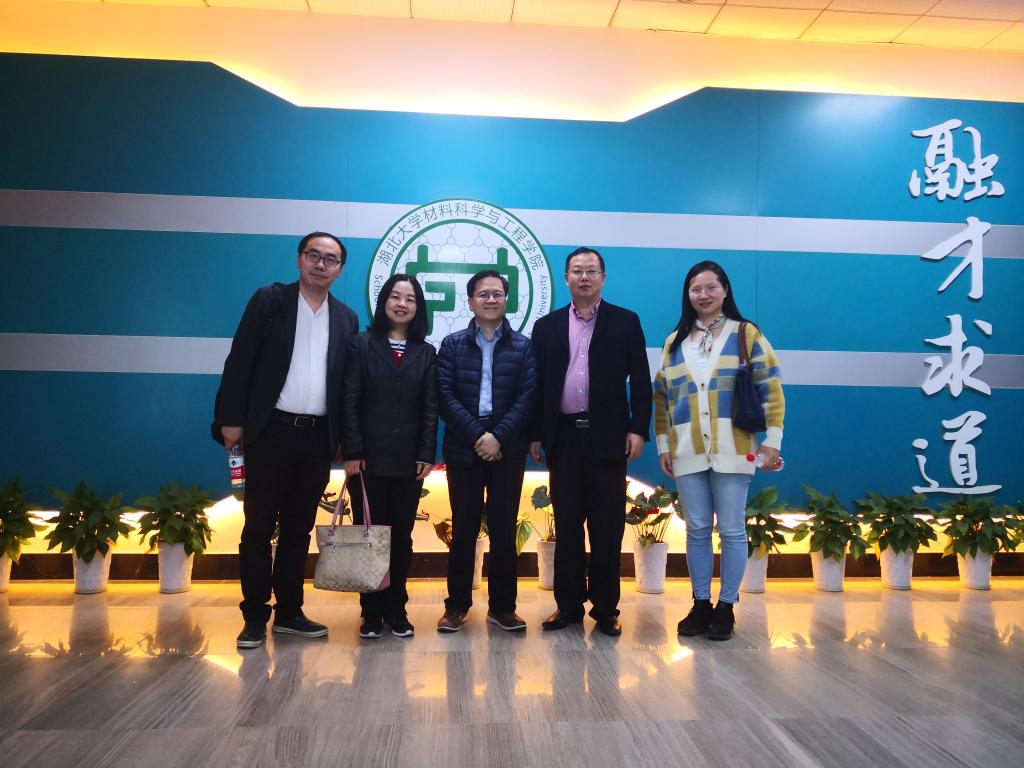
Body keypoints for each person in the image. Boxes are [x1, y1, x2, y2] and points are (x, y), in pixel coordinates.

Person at [213, 232, 359, 650]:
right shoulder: (270, 301)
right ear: (299, 259)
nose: (321, 264)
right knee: (258, 528)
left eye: (331, 259)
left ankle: (290, 612)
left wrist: (343, 439)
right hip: (269, 433)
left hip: (316, 439)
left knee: (298, 530)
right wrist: (230, 420)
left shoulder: (345, 318)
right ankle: (254, 616)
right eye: (314, 255)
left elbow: (347, 385)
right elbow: (239, 361)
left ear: (339, 270)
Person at [653, 260, 785, 641]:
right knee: (696, 528)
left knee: (731, 529)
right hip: (687, 447)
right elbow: (661, 397)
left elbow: (771, 387)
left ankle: (726, 606)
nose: (704, 295)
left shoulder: (746, 334)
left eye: (711, 287)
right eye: (696, 289)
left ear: (725, 290)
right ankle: (700, 603)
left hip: (734, 446)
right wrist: (663, 443)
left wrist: (773, 440)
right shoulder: (675, 341)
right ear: (688, 295)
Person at [529, 247, 652, 637]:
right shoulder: (546, 326)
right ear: (566, 277)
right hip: (563, 437)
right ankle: (567, 606)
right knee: (566, 525)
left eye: (591, 271)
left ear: (603, 278)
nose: (584, 277)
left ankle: (605, 608)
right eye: (577, 271)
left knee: (607, 527)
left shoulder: (625, 321)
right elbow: (537, 386)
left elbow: (642, 381)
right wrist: (536, 433)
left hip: (608, 437)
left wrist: (638, 429)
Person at [436, 269, 537, 633]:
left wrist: (499, 437)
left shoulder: (524, 346)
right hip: (465, 447)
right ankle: (456, 606)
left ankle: (503, 608)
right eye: (483, 294)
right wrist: (480, 436)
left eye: (497, 294)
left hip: (507, 449)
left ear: (506, 300)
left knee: (503, 529)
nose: (490, 299)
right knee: (463, 528)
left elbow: (528, 397)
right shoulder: (451, 344)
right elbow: (444, 396)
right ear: (470, 301)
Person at [341, 273, 438, 639]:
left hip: (408, 462)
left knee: (402, 539)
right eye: (396, 296)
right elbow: (349, 399)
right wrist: (352, 450)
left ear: (418, 308)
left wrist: (426, 453)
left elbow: (430, 409)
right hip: (366, 460)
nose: (402, 304)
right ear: (383, 302)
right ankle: (370, 613)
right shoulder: (361, 344)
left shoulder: (426, 353)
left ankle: (397, 610)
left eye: (410, 299)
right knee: (369, 535)